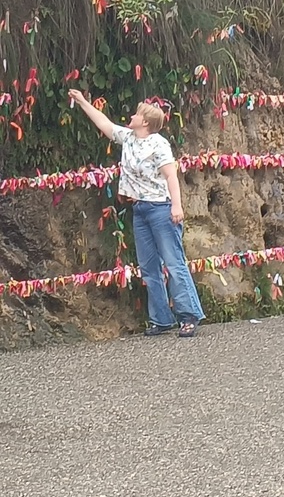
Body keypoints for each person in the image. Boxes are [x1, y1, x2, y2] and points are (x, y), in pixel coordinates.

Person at [69, 90, 205, 338]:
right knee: (149, 266)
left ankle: (188, 315)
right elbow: (105, 124)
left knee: (173, 262)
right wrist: (82, 102)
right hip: (140, 208)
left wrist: (177, 206)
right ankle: (161, 319)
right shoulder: (129, 138)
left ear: (146, 122)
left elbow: (170, 174)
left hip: (161, 208)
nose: (131, 116)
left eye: (136, 114)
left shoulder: (158, 144)